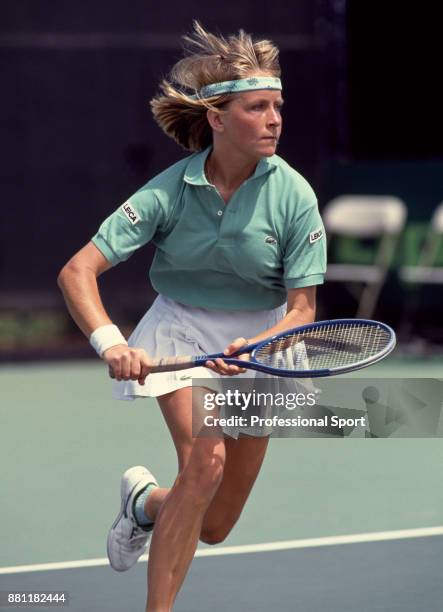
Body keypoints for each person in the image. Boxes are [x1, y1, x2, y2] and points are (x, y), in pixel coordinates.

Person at [57, 20, 326, 612]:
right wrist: (112, 344)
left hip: (267, 341)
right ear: (218, 118)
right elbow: (77, 271)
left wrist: (256, 346)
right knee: (204, 465)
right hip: (180, 327)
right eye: (258, 108)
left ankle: (146, 504)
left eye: (278, 106)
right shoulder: (167, 192)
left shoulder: (295, 196)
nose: (275, 119)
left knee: (215, 523)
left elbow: (303, 309)